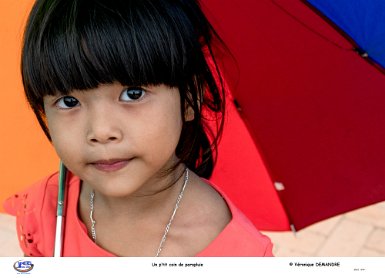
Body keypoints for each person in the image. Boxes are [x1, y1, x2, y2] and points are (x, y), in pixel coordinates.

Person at [4, 0, 273, 257]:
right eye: (69, 101)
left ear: (190, 97)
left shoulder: (238, 256)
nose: (101, 131)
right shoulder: (44, 212)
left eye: (133, 94)